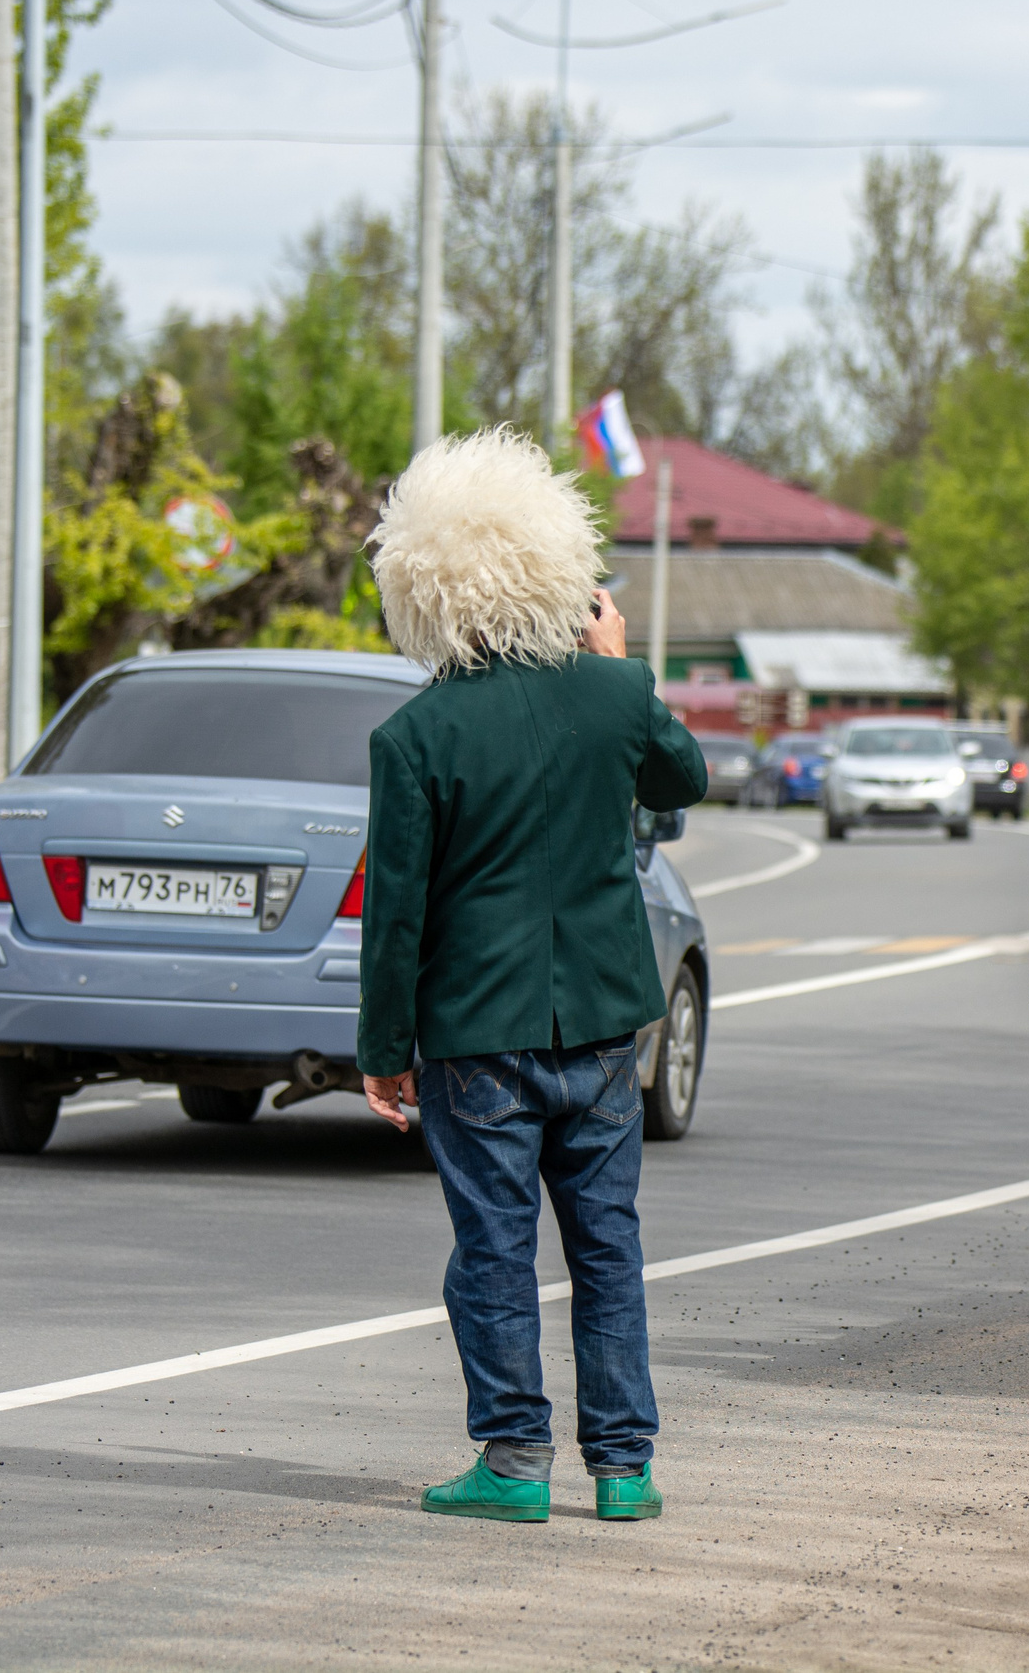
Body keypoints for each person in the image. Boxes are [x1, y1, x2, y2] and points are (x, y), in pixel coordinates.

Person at [358, 427, 708, 1524]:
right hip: (604, 1028)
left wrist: (382, 1051)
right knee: (608, 1245)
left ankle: (512, 1465)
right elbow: (683, 775)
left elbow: (396, 913)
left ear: (424, 589)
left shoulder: (414, 736)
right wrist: (612, 661)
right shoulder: (612, 694)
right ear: (555, 565)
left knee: (494, 1249)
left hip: (474, 1035)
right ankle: (624, 1468)